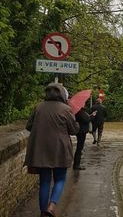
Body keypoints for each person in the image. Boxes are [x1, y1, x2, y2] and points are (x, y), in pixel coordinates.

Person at [25, 83, 79, 217]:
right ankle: (52, 206)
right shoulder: (66, 109)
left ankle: (43, 211)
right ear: (62, 94)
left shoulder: (38, 107)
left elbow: (28, 126)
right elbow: (74, 130)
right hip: (60, 150)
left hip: (41, 149)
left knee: (44, 180)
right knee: (60, 179)